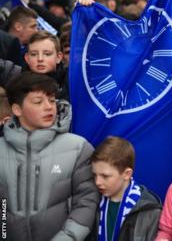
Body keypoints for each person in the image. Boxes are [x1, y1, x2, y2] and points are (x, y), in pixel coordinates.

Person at [0, 72, 99, 240]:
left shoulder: (78, 147)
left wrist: (66, 237)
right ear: (17, 109)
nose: (49, 107)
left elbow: (87, 201)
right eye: (38, 102)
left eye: (52, 100)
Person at [90, 136, 162, 241]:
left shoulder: (150, 209)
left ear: (127, 174)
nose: (97, 182)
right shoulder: (92, 201)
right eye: (94, 175)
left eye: (105, 176)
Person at [25, 30, 69, 100]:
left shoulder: (71, 82)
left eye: (47, 54)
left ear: (58, 57)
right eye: (34, 54)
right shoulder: (19, 85)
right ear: (27, 58)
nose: (40, 59)